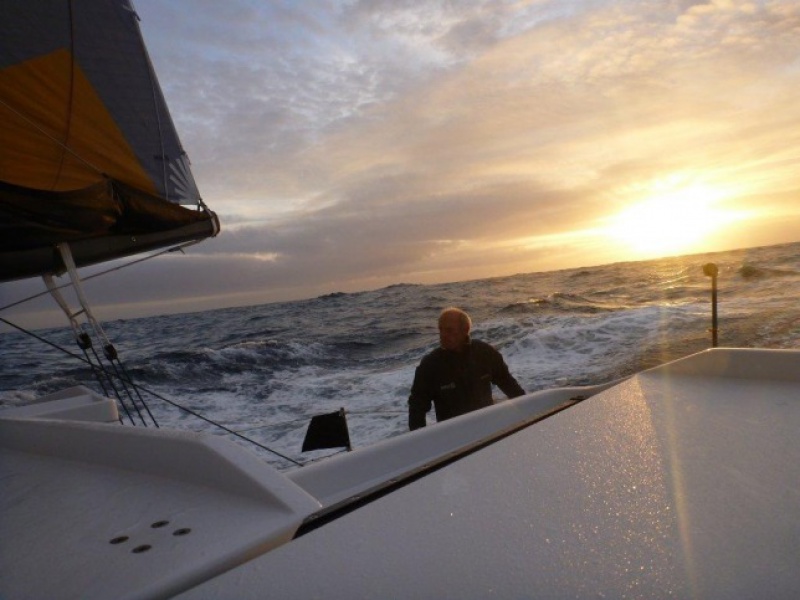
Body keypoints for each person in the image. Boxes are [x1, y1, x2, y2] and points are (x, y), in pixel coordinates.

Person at [408, 307, 525, 430]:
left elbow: (509, 385)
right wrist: (420, 443)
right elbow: (417, 408)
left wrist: (528, 413)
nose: (443, 335)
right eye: (441, 329)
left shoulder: (485, 353)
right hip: (454, 436)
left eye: (449, 330)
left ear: (465, 330)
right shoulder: (430, 365)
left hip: (489, 428)